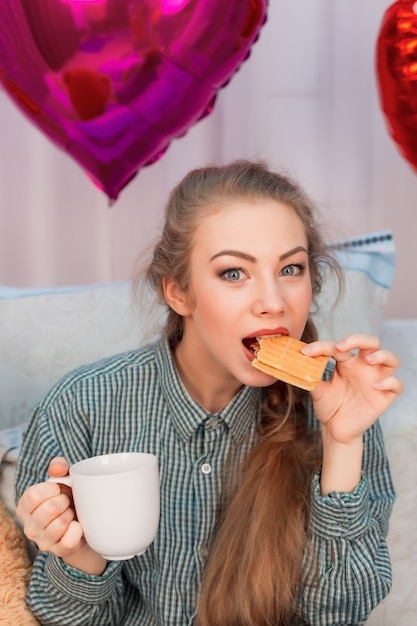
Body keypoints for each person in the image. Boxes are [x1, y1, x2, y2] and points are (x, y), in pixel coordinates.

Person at [15, 159, 403, 626]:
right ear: (180, 293)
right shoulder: (80, 408)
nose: (274, 302)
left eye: (291, 268)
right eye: (234, 273)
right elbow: (63, 618)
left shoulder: (342, 409)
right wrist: (79, 553)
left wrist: (342, 444)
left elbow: (340, 613)